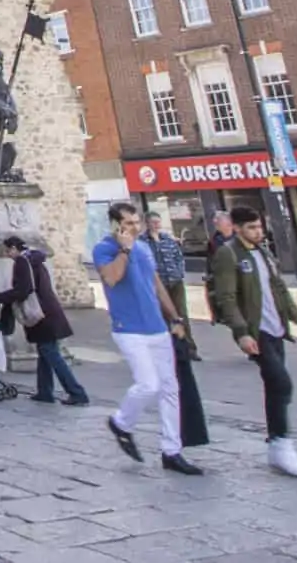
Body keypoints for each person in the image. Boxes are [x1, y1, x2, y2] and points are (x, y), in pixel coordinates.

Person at [206, 206, 297, 478]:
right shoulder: (228, 254)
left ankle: (278, 445)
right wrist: (241, 331)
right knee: (281, 382)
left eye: (259, 227)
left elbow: (279, 290)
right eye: (252, 227)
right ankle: (281, 443)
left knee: (276, 387)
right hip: (257, 330)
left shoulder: (264, 253)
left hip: (276, 327)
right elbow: (227, 296)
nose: (258, 232)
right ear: (238, 228)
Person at [93, 200, 201, 475]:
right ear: (115, 225)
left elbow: (155, 284)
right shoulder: (104, 249)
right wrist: (124, 250)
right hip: (129, 329)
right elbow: (112, 278)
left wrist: (175, 318)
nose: (134, 228)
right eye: (127, 223)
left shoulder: (143, 248)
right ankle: (121, 422)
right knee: (148, 385)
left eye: (135, 222)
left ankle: (171, 450)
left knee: (169, 389)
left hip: (156, 327)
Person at [0, 236, 88, 406]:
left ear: (14, 248)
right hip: (49, 311)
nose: (6, 254)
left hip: (41, 314)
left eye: (8, 250)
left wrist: (0, 297)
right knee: (45, 352)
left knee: (52, 354)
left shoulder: (21, 262)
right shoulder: (35, 260)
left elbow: (22, 290)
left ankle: (77, 392)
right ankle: (44, 391)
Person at [143, 214, 193, 359]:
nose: (156, 225)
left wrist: (179, 273)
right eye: (153, 222)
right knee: (163, 315)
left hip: (175, 280)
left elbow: (178, 257)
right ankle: (169, 348)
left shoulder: (168, 239)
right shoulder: (143, 242)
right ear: (147, 224)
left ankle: (189, 347)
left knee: (181, 313)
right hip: (159, 284)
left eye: (158, 222)